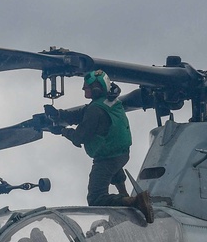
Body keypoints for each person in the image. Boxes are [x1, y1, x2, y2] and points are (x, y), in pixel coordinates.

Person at [56, 70, 154, 223]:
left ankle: (135, 203)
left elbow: (79, 137)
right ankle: (125, 195)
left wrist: (62, 131)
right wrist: (60, 115)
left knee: (95, 198)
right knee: (113, 171)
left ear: (96, 88)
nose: (83, 89)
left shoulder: (95, 110)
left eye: (86, 87)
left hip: (106, 158)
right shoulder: (110, 101)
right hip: (120, 154)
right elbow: (85, 112)